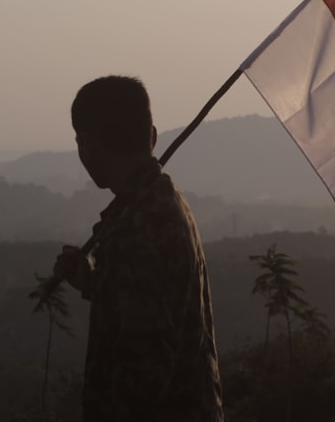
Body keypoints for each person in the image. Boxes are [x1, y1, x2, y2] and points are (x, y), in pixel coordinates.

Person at [53, 75, 225, 422]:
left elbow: (144, 367)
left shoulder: (135, 229)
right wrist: (95, 284)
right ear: (153, 136)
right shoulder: (162, 203)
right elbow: (154, 307)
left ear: (85, 143)